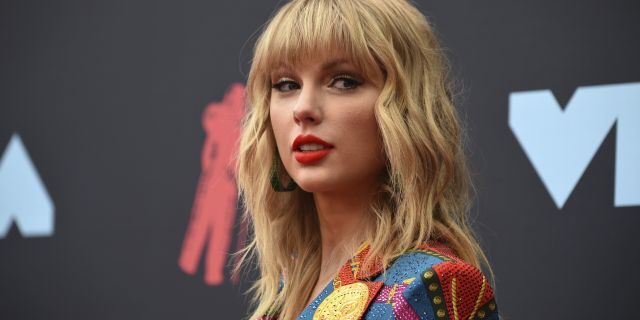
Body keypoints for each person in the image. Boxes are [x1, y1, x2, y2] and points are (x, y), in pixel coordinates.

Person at [235, 0, 499, 319]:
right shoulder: (285, 291)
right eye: (287, 85)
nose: (302, 108)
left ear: (404, 109)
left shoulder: (432, 286)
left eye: (344, 81)